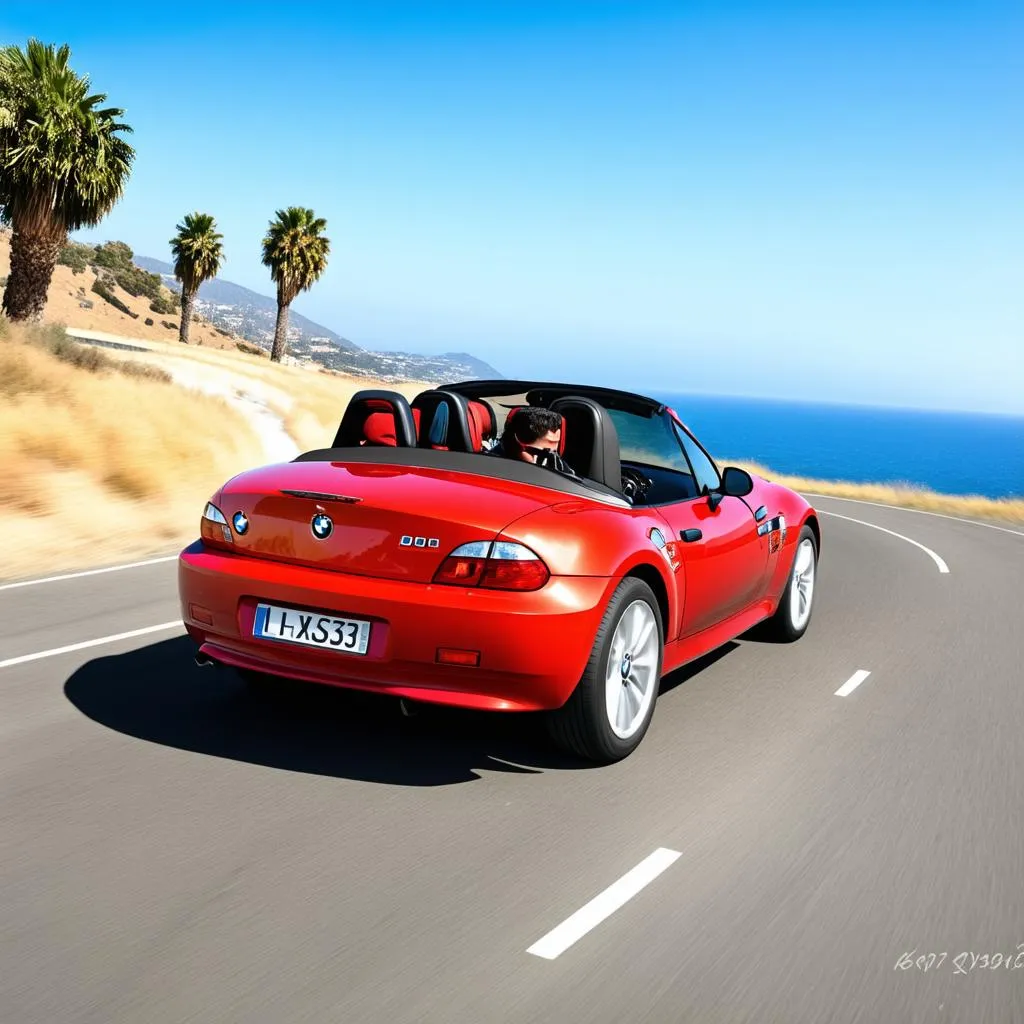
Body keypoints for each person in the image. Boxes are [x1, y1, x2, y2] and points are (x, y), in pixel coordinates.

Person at [490, 406, 578, 476]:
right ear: (516, 445)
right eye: (543, 454)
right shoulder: (490, 471)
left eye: (554, 452)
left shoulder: (553, 460)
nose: (551, 457)